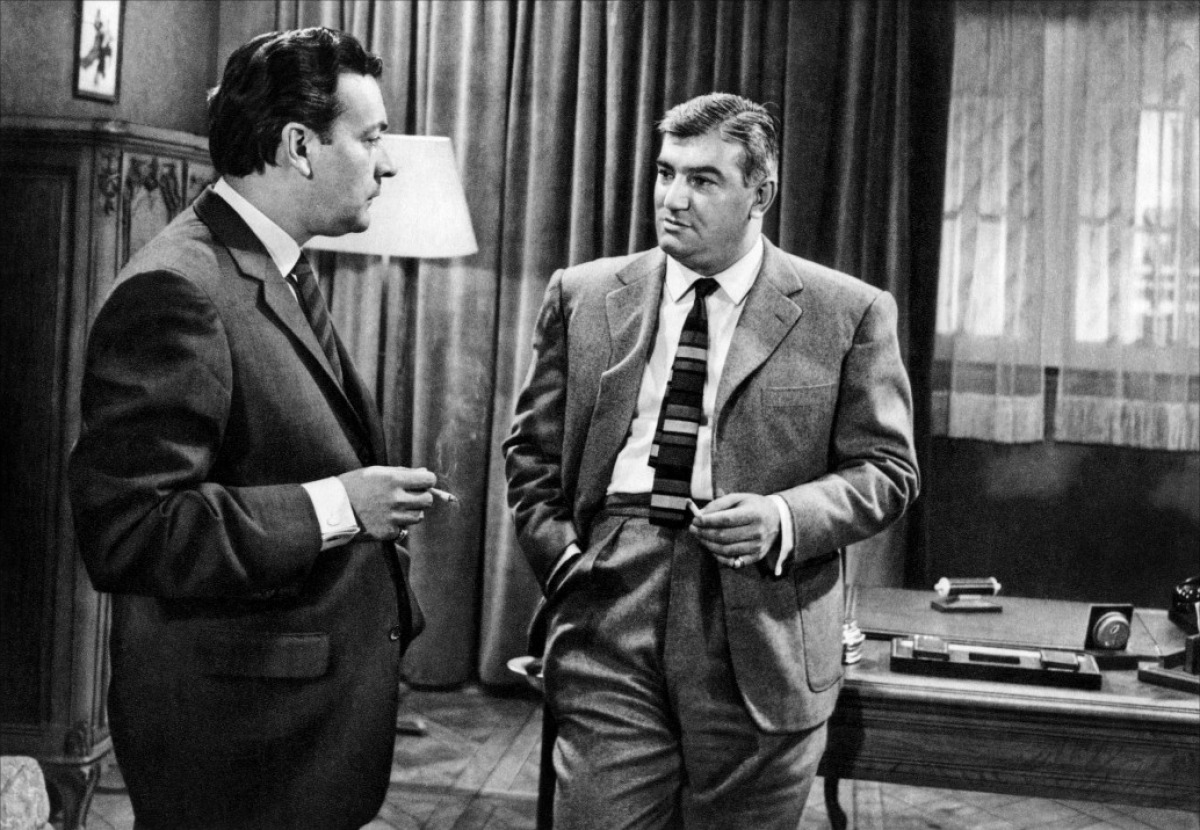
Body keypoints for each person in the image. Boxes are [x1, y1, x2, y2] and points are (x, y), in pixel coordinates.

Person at [504, 92, 919, 829]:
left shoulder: (847, 311)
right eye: (666, 173)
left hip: (762, 611)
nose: (673, 198)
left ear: (761, 194)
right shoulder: (584, 294)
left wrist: (783, 517)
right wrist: (565, 561)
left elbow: (887, 471)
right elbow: (530, 453)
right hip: (610, 593)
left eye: (703, 180)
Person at [69, 27, 438, 830]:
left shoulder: (275, 266)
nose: (387, 163)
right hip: (236, 750)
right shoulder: (179, 291)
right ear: (300, 147)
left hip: (289, 732)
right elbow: (130, 530)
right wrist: (342, 506)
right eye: (371, 137)